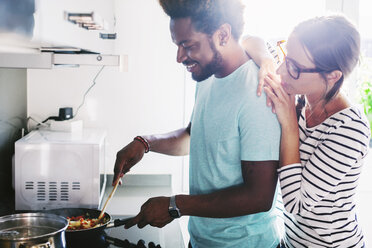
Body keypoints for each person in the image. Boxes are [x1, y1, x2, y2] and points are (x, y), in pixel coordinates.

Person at [112, 0, 282, 247]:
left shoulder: (257, 92)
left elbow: (259, 196)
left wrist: (174, 205)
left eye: (187, 45)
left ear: (223, 35)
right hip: (202, 241)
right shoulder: (208, 77)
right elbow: (194, 137)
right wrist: (144, 143)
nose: (179, 57)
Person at [250, 15, 370, 247]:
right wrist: (266, 60)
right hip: (291, 240)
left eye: (294, 67)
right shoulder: (301, 99)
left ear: (333, 76)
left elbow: (296, 204)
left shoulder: (350, 129)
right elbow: (249, 41)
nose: (282, 71)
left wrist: (289, 125)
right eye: (286, 57)